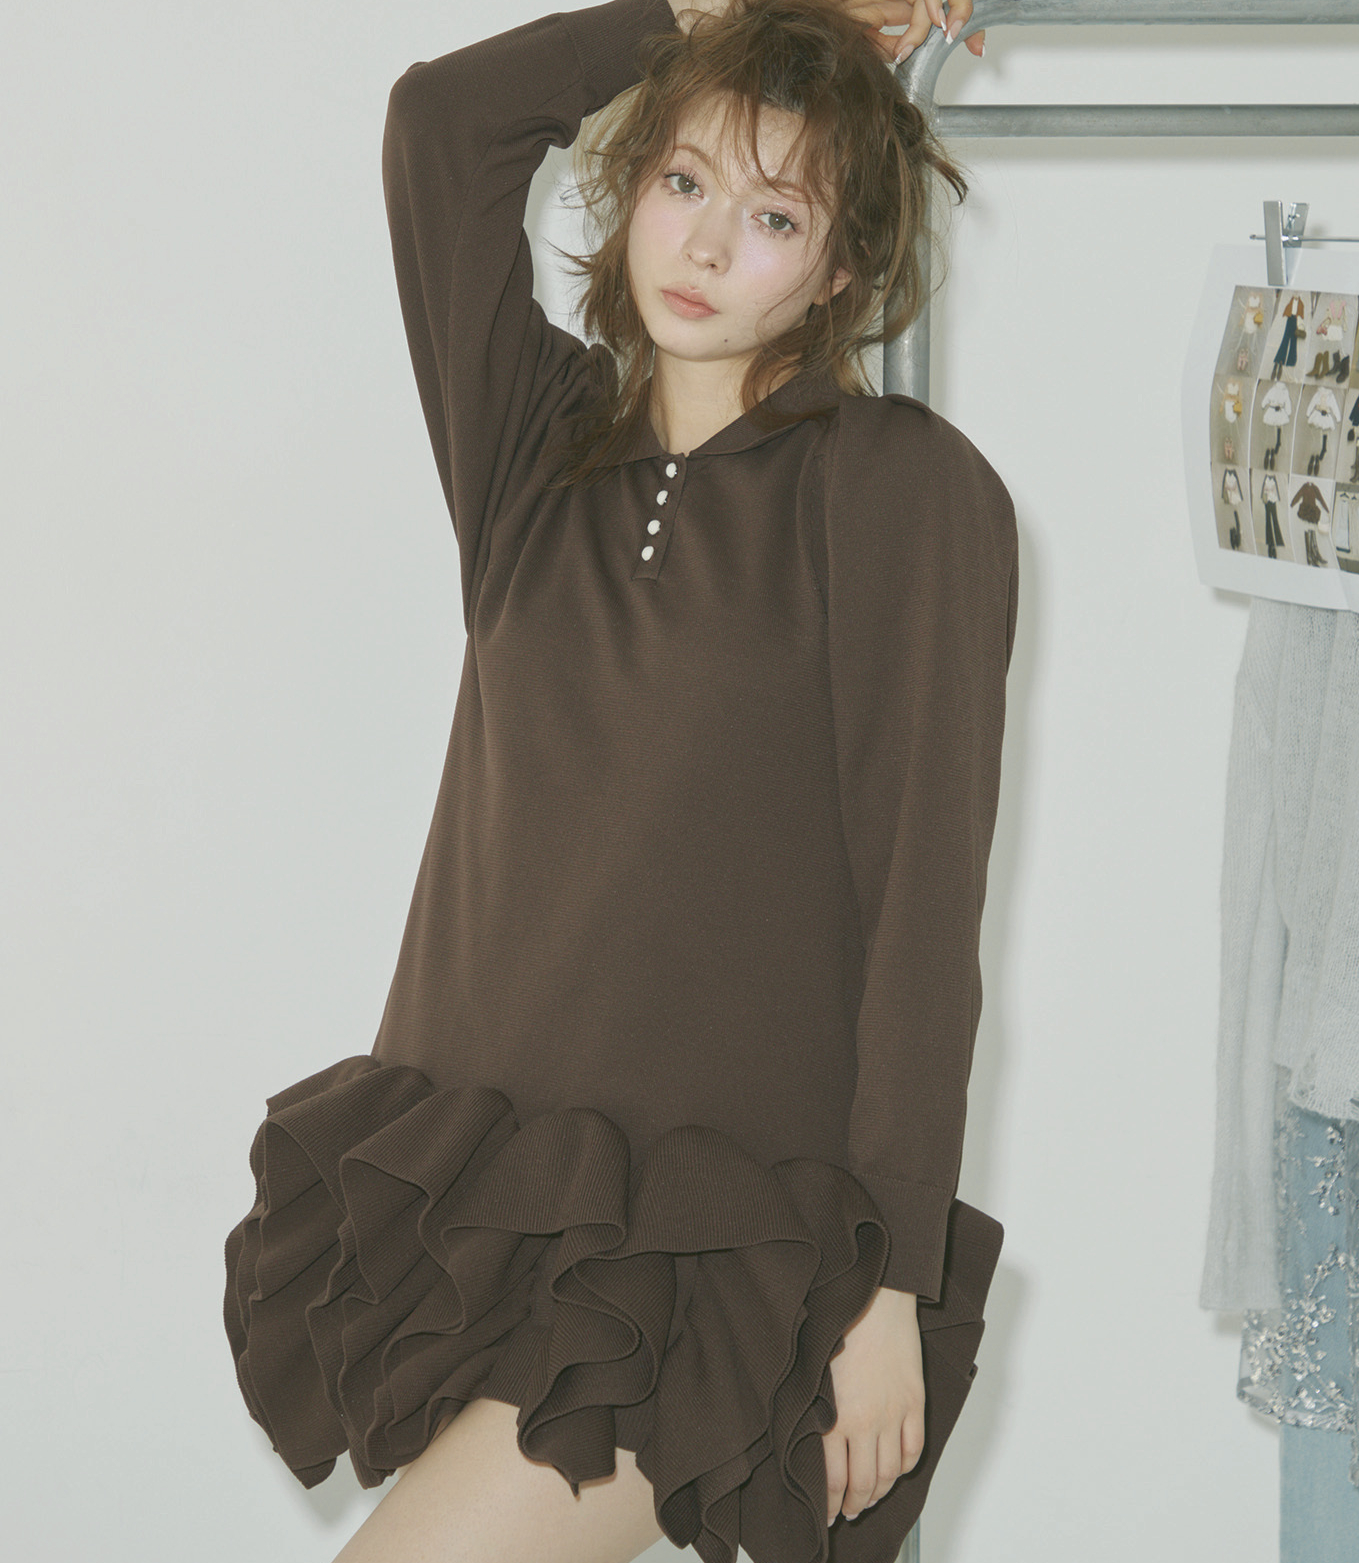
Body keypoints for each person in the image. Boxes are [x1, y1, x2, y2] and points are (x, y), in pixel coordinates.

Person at [220, 2, 1016, 1561]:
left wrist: (887, 1284)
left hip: (712, 1256)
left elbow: (924, 912)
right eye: (684, 182)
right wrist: (698, 12)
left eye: (774, 216)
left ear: (841, 269)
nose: (706, 244)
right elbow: (442, 128)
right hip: (492, 1197)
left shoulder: (899, 488)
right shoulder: (537, 448)